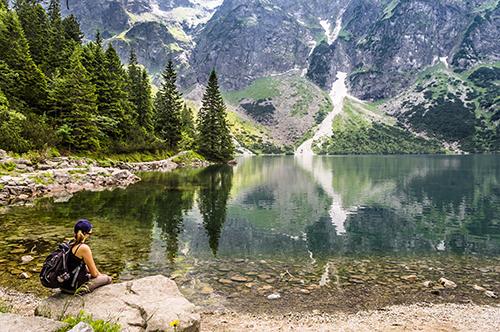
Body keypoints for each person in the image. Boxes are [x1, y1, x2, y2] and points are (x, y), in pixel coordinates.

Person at [61, 219, 112, 294]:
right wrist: (99, 275)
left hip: (63, 285)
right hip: (75, 288)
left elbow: (77, 265)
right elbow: (94, 274)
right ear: (85, 233)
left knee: (100, 276)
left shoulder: (69, 244)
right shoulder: (84, 248)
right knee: (108, 279)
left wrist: (99, 274)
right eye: (90, 233)